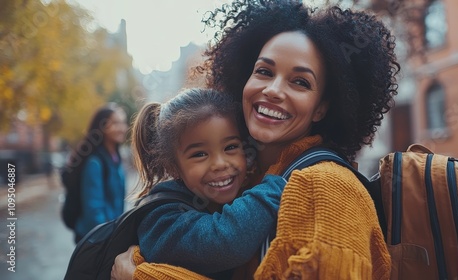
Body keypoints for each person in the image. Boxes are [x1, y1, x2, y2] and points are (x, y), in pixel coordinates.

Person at [112, 0, 400, 279]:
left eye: (300, 82)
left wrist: (143, 275)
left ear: (322, 107)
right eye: (264, 71)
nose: (274, 90)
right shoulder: (247, 181)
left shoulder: (325, 186)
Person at [116, 88, 286, 279]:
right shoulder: (160, 219)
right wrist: (276, 186)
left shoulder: (232, 195)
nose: (220, 164)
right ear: (173, 167)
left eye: (230, 147)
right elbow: (227, 242)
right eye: (199, 154)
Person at [71, 103, 128, 242]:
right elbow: (94, 211)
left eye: (123, 123)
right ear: (102, 127)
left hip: (111, 232)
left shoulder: (115, 158)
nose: (122, 128)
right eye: (115, 123)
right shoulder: (95, 163)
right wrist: (110, 240)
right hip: (96, 239)